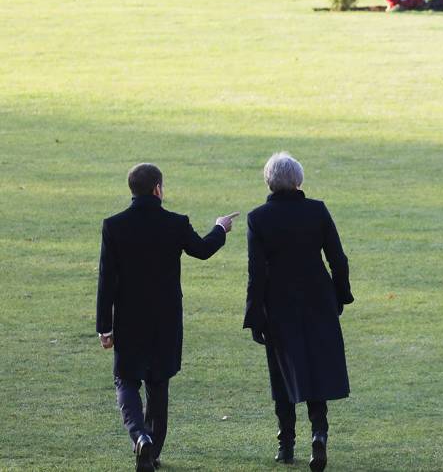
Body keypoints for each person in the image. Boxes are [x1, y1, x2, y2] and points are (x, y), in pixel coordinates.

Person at [95, 163, 238, 472]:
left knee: (126, 379)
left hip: (129, 317)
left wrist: (104, 326)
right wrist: (220, 227)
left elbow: (106, 280)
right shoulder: (175, 223)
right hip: (165, 317)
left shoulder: (114, 225)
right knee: (158, 383)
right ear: (158, 188)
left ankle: (139, 437)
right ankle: (153, 449)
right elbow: (201, 249)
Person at [244, 152, 353, 471]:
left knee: (282, 372)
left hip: (278, 302)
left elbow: (256, 272)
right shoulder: (316, 211)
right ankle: (319, 434)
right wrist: (340, 296)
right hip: (318, 298)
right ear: (298, 180)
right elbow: (338, 258)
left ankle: (286, 443)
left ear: (269, 182)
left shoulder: (258, 218)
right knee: (316, 368)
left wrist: (254, 315)